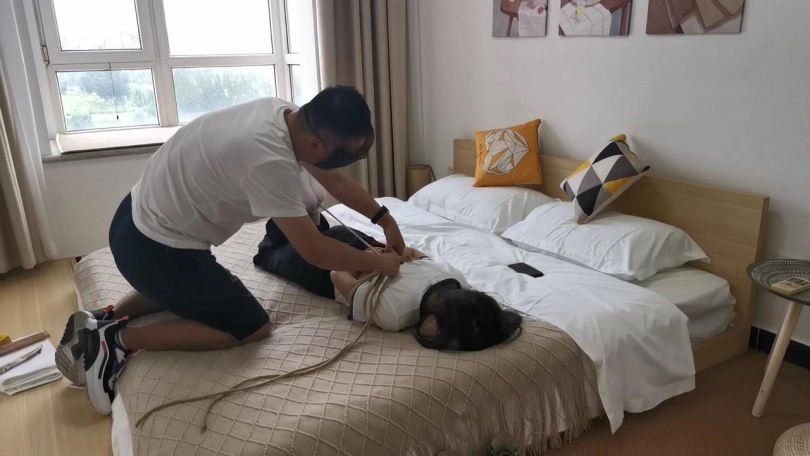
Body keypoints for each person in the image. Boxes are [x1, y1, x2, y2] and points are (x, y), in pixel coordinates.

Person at [55, 86, 407, 415]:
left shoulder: (283, 115)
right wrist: (378, 263)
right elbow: (314, 250)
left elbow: (335, 180)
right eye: (344, 155)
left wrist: (384, 218)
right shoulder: (269, 161)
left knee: (184, 288)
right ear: (315, 144)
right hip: (158, 250)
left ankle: (106, 317)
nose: (345, 164)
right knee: (252, 326)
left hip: (131, 222)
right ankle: (116, 341)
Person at [254, 219, 523, 351]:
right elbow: (337, 274)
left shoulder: (454, 280)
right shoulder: (397, 310)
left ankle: (306, 220)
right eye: (442, 333)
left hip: (352, 252)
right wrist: (376, 260)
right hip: (349, 257)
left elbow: (411, 253)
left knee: (294, 235)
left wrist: (378, 260)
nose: (435, 336)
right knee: (271, 252)